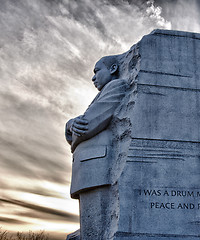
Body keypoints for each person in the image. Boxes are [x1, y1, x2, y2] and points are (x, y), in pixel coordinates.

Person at [65, 55, 128, 240]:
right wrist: (69, 124)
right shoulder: (101, 94)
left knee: (96, 233)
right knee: (90, 232)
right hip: (89, 168)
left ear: (113, 68)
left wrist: (72, 127)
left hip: (96, 167)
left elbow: (86, 127)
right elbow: (78, 127)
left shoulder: (117, 86)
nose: (93, 78)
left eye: (96, 71)